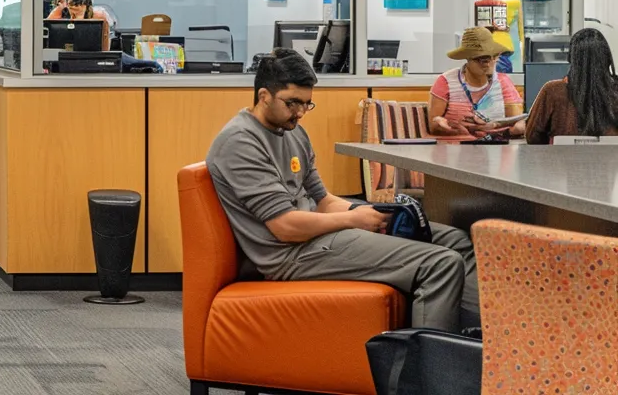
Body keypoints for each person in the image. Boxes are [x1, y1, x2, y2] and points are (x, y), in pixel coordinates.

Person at [206, 48, 478, 332]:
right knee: (440, 264)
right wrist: (353, 219)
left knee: (455, 240)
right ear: (264, 96)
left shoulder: (292, 131)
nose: (300, 112)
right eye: (292, 103)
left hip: (318, 232)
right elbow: (285, 227)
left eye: (307, 104)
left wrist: (369, 212)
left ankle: (476, 345)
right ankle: (434, 370)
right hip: (290, 254)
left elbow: (322, 201)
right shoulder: (240, 142)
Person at [428, 27, 526, 139]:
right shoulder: (446, 81)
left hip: (496, 148)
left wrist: (499, 131)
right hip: (457, 148)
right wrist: (448, 127)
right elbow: (434, 125)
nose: (489, 64)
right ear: (468, 59)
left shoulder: (503, 82)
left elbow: (518, 122)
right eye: (483, 60)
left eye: (494, 57)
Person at [526, 28, 618, 144]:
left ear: (571, 58)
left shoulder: (552, 91)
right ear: (607, 59)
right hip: (611, 161)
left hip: (560, 160)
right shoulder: (615, 91)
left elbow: (532, 136)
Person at [46, 0, 115, 51]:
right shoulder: (60, 12)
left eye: (78, 6)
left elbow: (105, 49)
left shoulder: (99, 17)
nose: (75, 9)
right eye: (72, 6)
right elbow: (47, 30)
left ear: (86, 4)